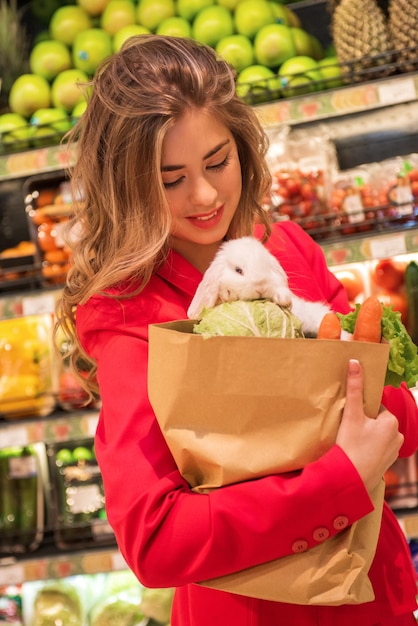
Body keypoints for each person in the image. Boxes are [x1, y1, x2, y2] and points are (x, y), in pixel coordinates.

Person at [56, 34, 418, 626]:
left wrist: (384, 419)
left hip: (373, 594)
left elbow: (395, 407)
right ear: (126, 185)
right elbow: (155, 539)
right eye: (169, 179)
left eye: (217, 162)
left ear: (242, 150)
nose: (203, 196)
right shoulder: (128, 318)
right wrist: (340, 477)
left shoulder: (287, 248)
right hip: (254, 611)